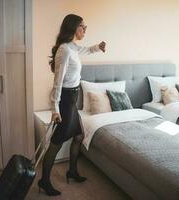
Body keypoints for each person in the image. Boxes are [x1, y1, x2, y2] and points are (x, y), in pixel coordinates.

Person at [38, 14, 106, 196]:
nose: (85, 30)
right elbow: (57, 83)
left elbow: (86, 50)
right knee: (56, 142)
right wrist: (54, 109)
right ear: (73, 27)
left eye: (86, 27)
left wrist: (98, 47)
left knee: (78, 136)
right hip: (66, 100)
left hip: (73, 99)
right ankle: (44, 181)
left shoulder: (73, 47)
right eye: (82, 27)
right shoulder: (64, 50)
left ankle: (72, 171)